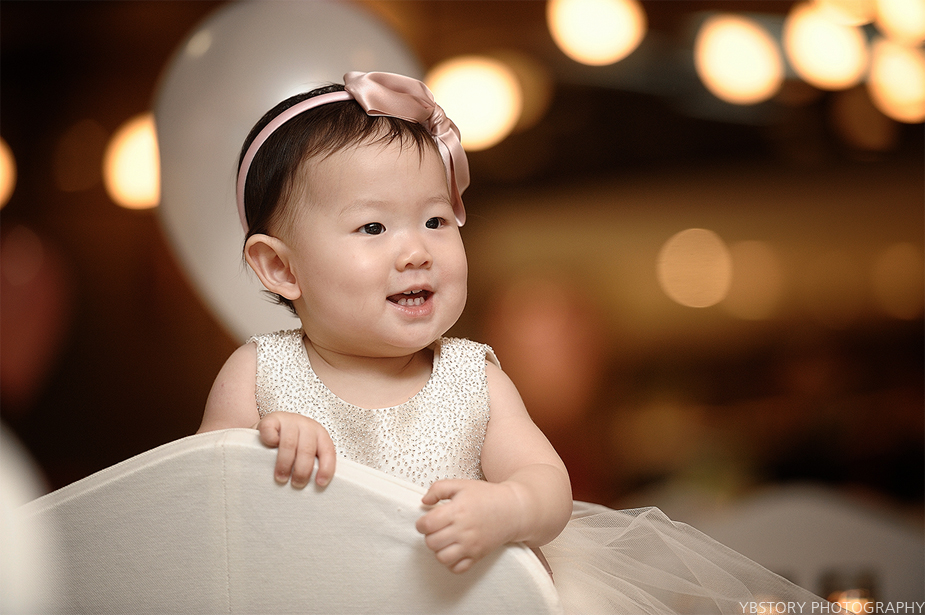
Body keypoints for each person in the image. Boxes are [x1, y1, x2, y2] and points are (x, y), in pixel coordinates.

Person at [198, 71, 825, 613]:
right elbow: (196, 502)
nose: (416, 251)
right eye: (372, 227)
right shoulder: (258, 373)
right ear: (281, 268)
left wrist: (508, 508)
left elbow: (547, 485)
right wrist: (255, 452)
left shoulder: (472, 378)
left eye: (436, 220)